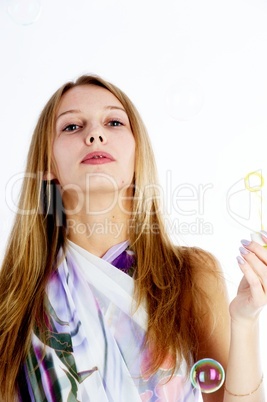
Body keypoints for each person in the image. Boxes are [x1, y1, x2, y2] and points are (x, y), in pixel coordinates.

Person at [0, 74, 266, 402]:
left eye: (113, 122)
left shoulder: (189, 274)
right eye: (71, 127)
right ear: (47, 164)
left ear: (138, 154)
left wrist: (245, 320)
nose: (95, 134)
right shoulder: (12, 299)